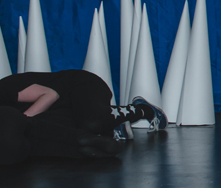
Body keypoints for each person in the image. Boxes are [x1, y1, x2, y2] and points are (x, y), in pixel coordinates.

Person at [0, 70, 162, 163]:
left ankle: (142, 109)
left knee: (92, 123)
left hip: (81, 85)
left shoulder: (4, 88)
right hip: (65, 110)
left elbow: (50, 94)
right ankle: (112, 124)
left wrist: (24, 120)